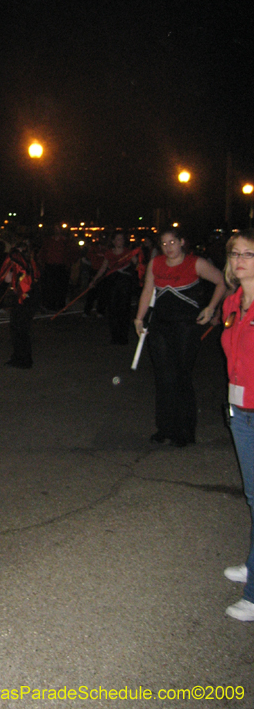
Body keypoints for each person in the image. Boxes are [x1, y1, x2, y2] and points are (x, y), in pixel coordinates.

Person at [134, 226, 225, 447]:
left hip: (186, 326)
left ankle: (184, 431)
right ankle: (165, 428)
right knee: (163, 377)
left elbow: (222, 281)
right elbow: (148, 290)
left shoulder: (195, 262)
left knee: (182, 376)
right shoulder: (155, 263)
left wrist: (212, 308)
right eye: (164, 244)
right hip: (160, 325)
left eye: (172, 242)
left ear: (182, 241)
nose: (168, 247)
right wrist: (139, 318)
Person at [221, 229, 254, 621]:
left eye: (249, 253)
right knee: (251, 496)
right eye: (236, 253)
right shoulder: (233, 301)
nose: (241, 259)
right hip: (240, 411)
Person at [90, 231, 137, 345]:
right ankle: (115, 336)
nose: (119, 241)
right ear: (113, 241)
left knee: (124, 309)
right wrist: (94, 280)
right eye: (117, 239)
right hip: (112, 283)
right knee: (112, 309)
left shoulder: (128, 252)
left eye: (121, 239)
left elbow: (138, 265)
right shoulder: (109, 253)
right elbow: (103, 268)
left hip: (124, 283)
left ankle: (123, 336)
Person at [0, 239, 39, 369]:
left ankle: (24, 359)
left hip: (25, 298)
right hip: (23, 298)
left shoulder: (27, 264)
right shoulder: (25, 263)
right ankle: (18, 356)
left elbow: (11, 279)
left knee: (21, 329)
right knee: (17, 329)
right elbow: (8, 279)